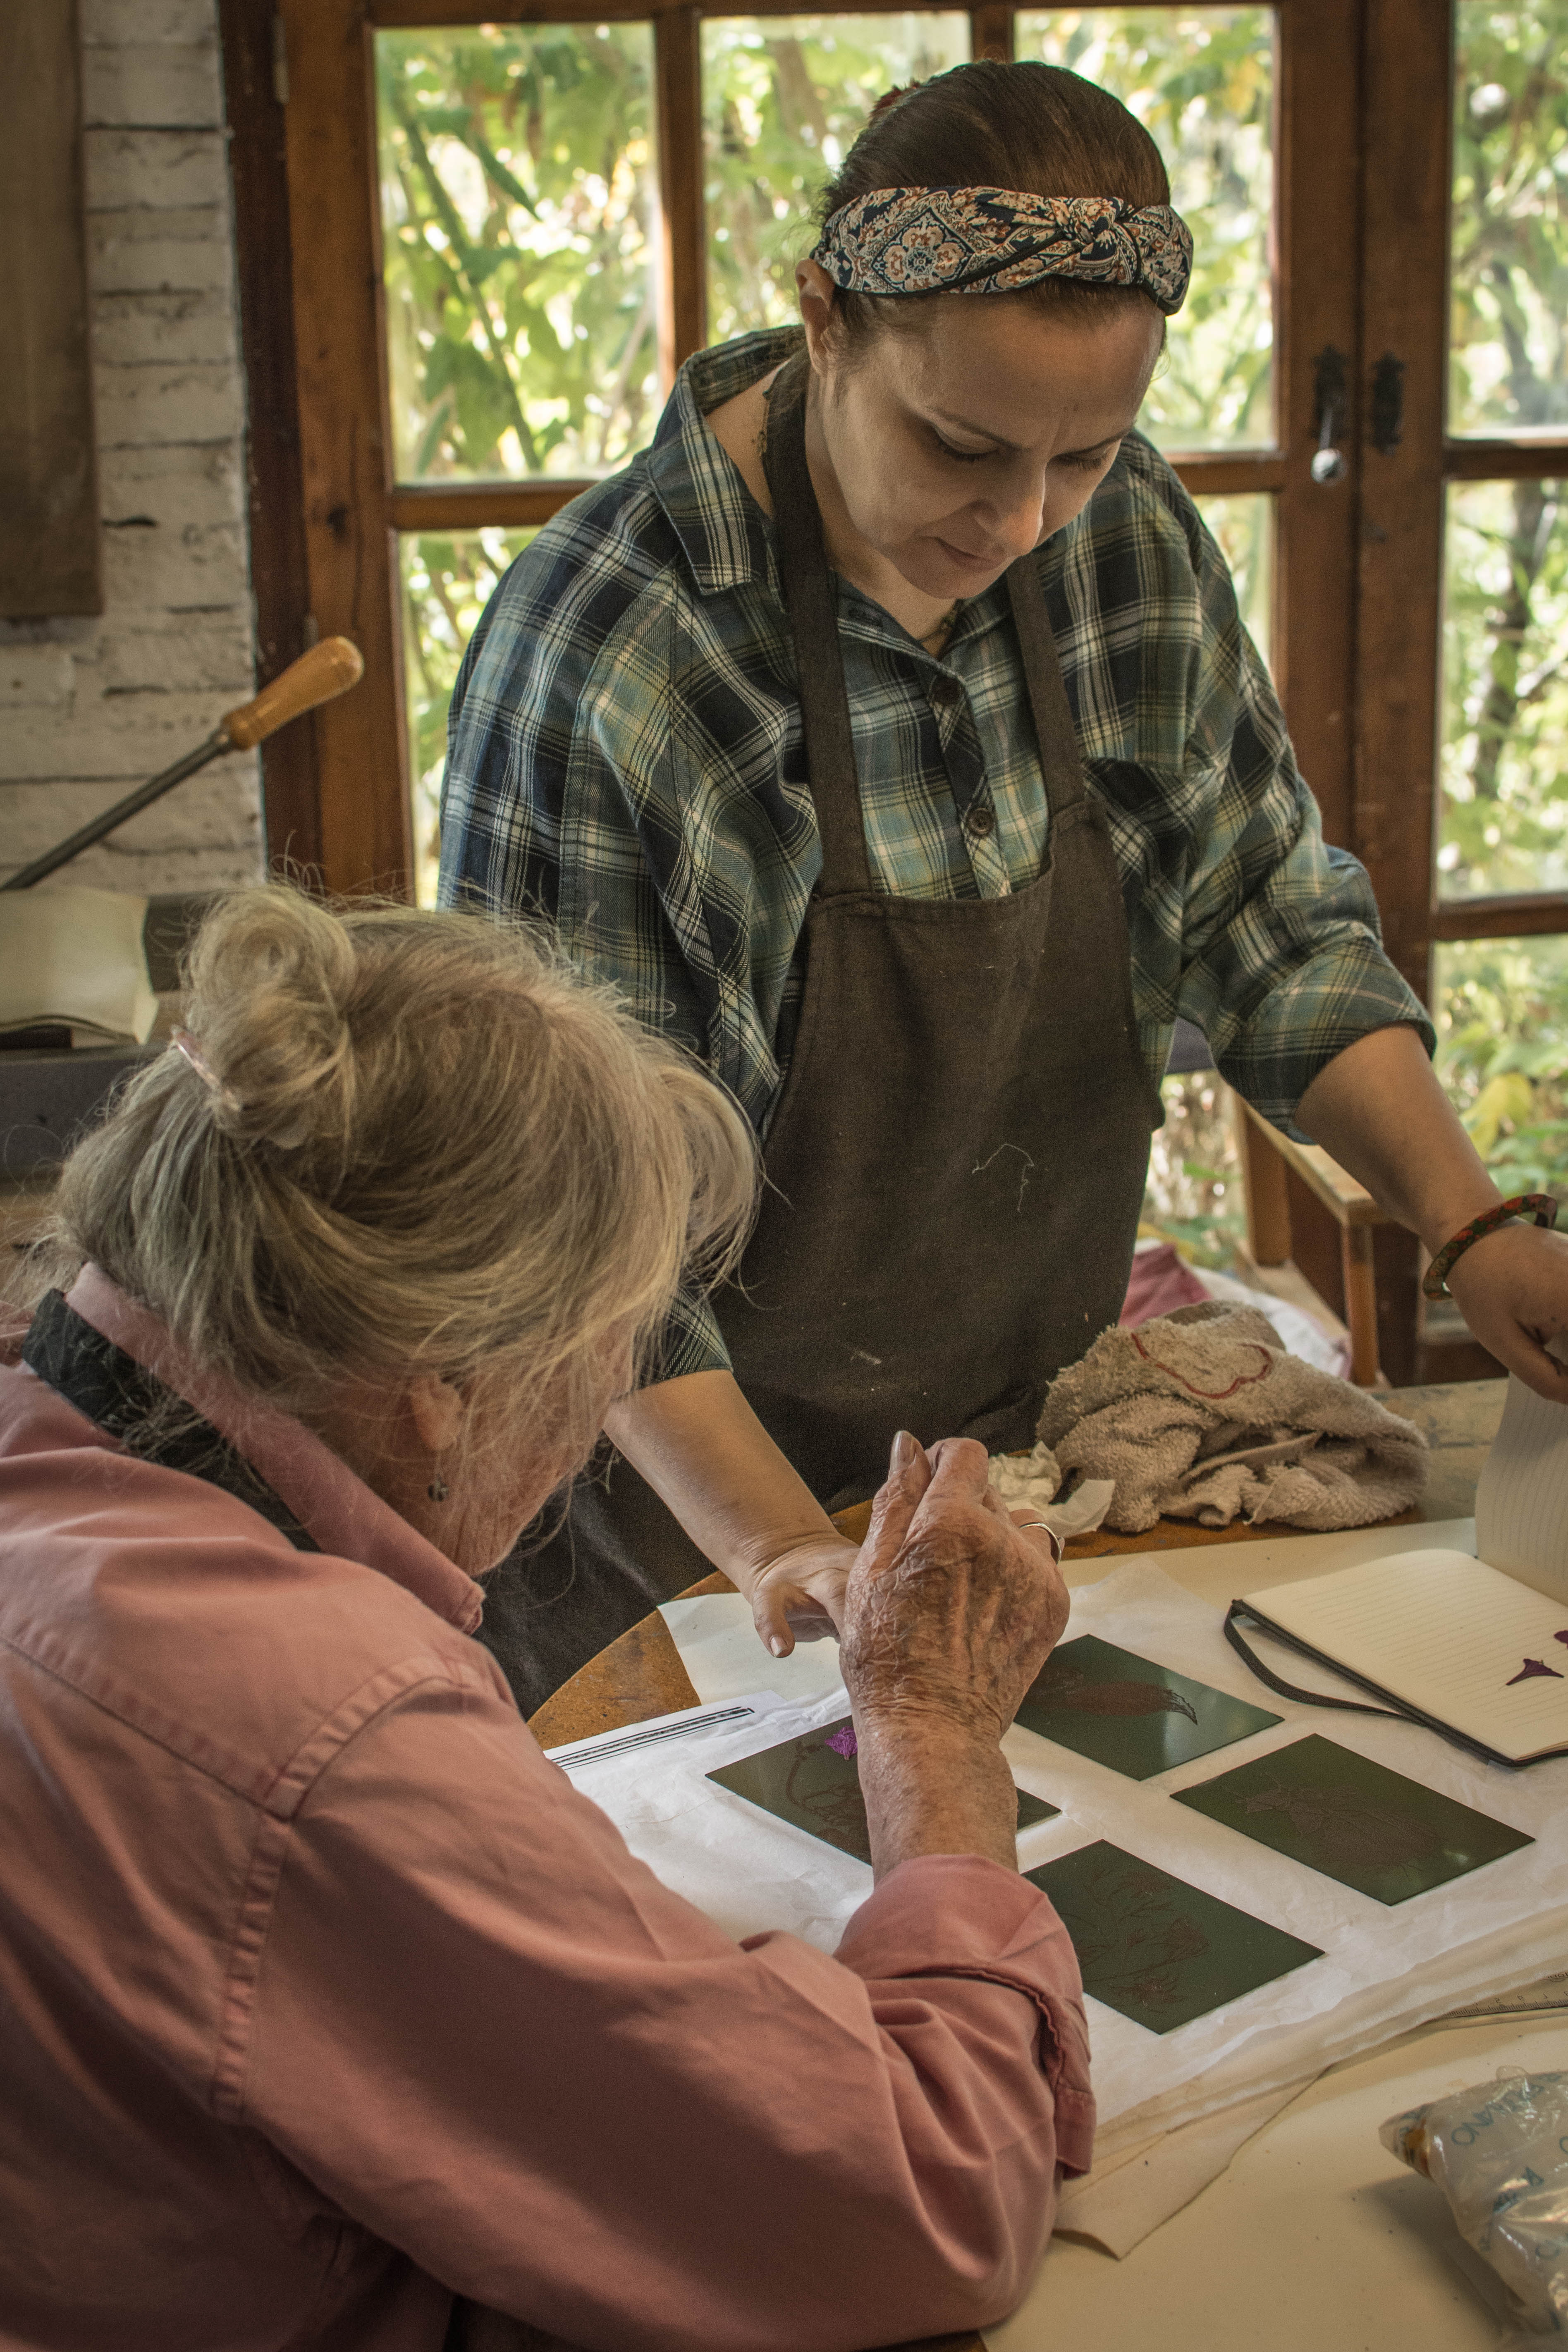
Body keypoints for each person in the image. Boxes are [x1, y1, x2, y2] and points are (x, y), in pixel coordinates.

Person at [440, 57, 1568, 1716]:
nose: (1021, 522)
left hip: (1008, 1484)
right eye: (960, 446)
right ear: (826, 319)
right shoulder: (621, 652)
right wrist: (787, 1552)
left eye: (1085, 454)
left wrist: (1475, 1230)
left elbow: (1267, 926)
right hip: (672, 1543)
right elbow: (575, 1240)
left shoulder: (1123, 541)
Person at [0, 886, 1089, 2352]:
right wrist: (935, 1738)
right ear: (442, 1389)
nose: (594, 1419)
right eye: (606, 1355)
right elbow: (920, 2207)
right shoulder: (323, 1723)